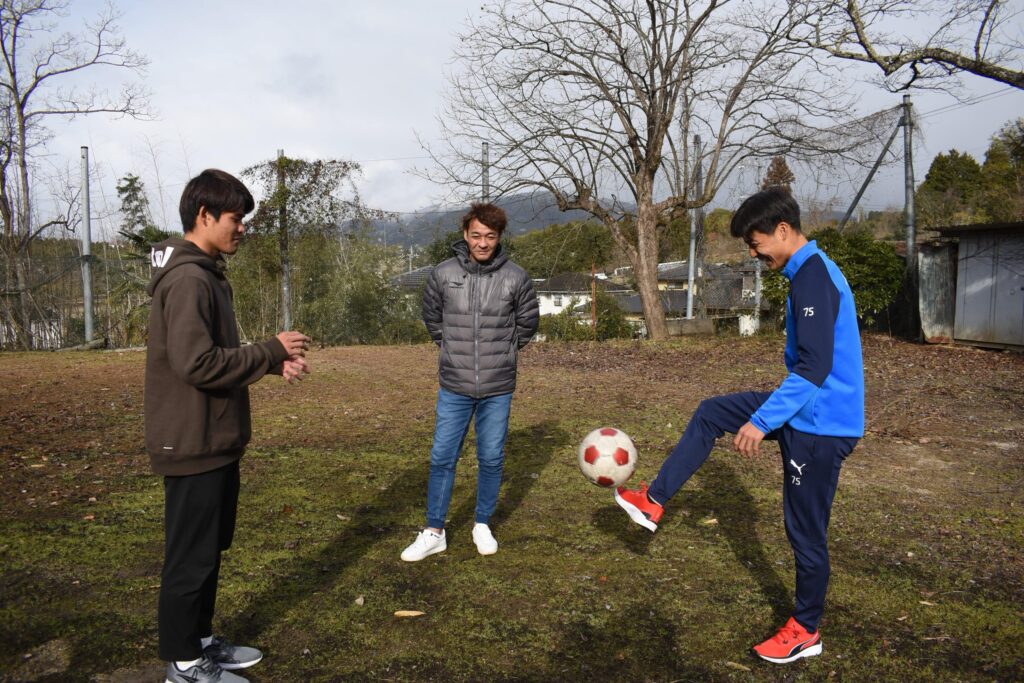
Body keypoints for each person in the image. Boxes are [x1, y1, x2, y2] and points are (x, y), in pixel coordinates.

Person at [615, 188, 864, 664]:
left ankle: (806, 629)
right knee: (712, 412)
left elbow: (813, 368)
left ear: (784, 232)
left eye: (755, 243)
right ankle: (654, 501)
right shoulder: (805, 274)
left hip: (821, 425)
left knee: (804, 531)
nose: (753, 253)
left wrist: (762, 421)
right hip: (805, 410)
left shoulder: (814, 278)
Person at [145, 169, 311, 683]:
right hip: (193, 440)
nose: (243, 229)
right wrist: (269, 350)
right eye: (237, 219)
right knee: (190, 558)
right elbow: (196, 364)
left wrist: (266, 363)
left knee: (208, 550)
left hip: (212, 438)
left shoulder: (206, 273)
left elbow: (216, 357)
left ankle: (198, 642)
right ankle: (182, 663)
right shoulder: (190, 278)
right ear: (205, 216)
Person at [401, 202, 539, 562]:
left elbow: (527, 324)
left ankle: (482, 523)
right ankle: (434, 531)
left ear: (499, 238)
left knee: (491, 457)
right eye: (476, 235)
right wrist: (451, 349)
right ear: (465, 235)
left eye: (489, 237)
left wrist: (505, 352)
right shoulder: (443, 274)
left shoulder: (516, 277)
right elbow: (432, 317)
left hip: (497, 386)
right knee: (442, 457)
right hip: (454, 383)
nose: (482, 243)